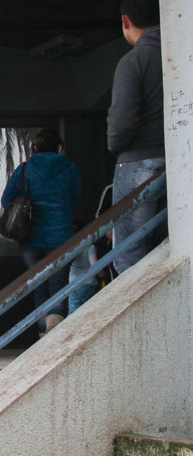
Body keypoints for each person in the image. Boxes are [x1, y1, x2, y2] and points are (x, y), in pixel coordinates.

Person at [1, 128, 80, 335]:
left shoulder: (25, 169)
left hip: (31, 237)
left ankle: (41, 328)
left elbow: (5, 199)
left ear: (35, 148)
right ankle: (55, 324)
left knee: (39, 283)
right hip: (61, 235)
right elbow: (76, 199)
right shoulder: (69, 168)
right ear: (59, 148)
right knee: (58, 283)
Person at [107, 0, 165, 275]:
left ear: (125, 21)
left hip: (138, 162)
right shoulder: (179, 56)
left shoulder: (133, 61)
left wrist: (115, 146)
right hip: (177, 160)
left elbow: (120, 124)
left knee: (129, 257)